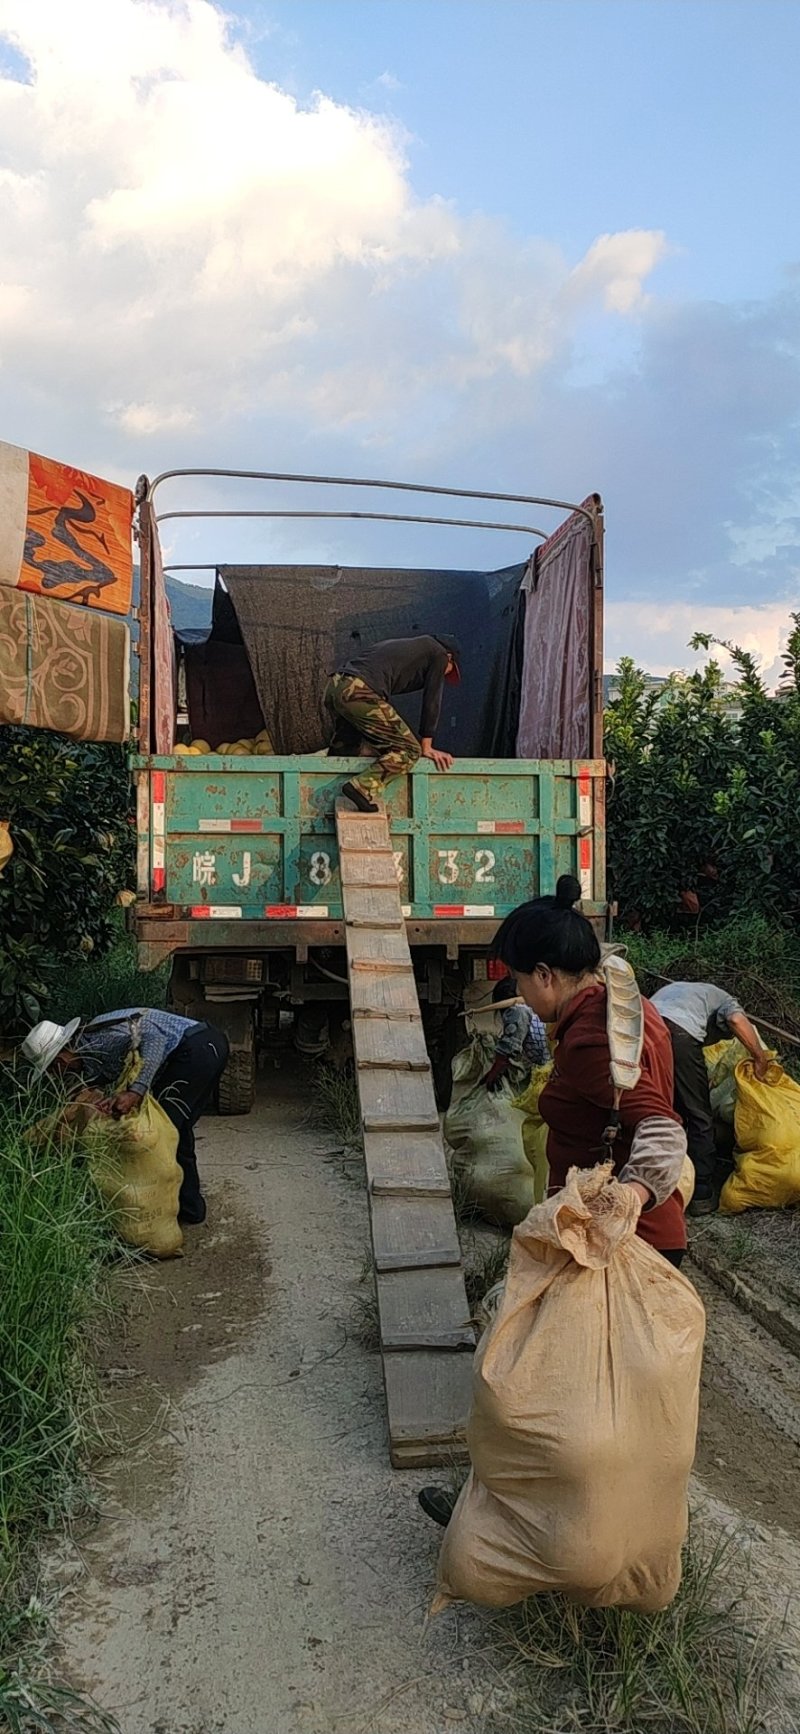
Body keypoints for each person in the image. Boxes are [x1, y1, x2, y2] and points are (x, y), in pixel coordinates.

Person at [419, 873, 688, 1530]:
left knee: (527, 1387)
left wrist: (625, 1197)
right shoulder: (618, 1000)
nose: (514, 992)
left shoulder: (595, 1037)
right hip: (616, 1241)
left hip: (615, 1250)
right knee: (580, 1401)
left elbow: (661, 1130)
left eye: (516, 978)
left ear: (546, 974)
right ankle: (530, 1516)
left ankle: (508, 1520)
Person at [22, 1009, 229, 1225]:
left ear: (62, 1057)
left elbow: (154, 1038)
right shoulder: (88, 1045)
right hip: (207, 1046)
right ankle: (189, 1208)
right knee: (176, 1131)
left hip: (196, 1049)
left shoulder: (99, 1041)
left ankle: (171, 1208)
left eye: (53, 1068)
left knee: (160, 1134)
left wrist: (135, 1092)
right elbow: (115, 1069)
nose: (56, 1074)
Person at [650, 980, 769, 1215]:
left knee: (658, 1105)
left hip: (644, 1029)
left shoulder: (685, 991)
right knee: (699, 1114)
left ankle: (654, 1179)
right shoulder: (726, 1001)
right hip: (677, 1035)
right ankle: (700, 1191)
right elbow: (737, 1020)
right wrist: (760, 1057)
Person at [324, 633, 461, 814]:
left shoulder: (410, 645)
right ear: (450, 658)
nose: (444, 675)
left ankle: (326, 784)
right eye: (448, 671)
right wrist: (427, 746)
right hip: (359, 690)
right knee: (409, 750)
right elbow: (432, 699)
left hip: (336, 686)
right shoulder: (440, 654)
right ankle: (361, 787)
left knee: (347, 744)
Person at [481, 974, 549, 1092]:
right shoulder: (533, 1006)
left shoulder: (517, 1010)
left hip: (547, 1068)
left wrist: (494, 1072)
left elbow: (509, 1047)